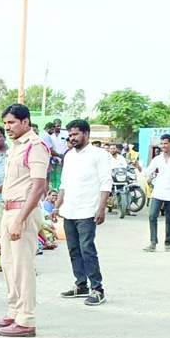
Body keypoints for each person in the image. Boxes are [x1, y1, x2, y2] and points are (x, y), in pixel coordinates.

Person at [0, 104, 50, 337]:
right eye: (5, 123)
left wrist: (19, 220)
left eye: (12, 122)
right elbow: (16, 181)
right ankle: (14, 311)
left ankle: (26, 320)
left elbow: (38, 185)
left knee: (23, 267)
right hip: (9, 209)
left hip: (22, 212)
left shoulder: (36, 146)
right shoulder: (16, 146)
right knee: (9, 264)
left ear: (26, 122)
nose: (7, 128)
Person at [51, 119, 111, 307]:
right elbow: (64, 184)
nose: (72, 138)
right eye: (70, 135)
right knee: (74, 249)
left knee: (87, 249)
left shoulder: (99, 155)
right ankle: (81, 285)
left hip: (88, 211)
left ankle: (97, 289)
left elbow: (105, 183)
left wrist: (101, 208)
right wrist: (56, 206)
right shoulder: (69, 155)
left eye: (75, 134)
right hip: (69, 210)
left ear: (86, 134)